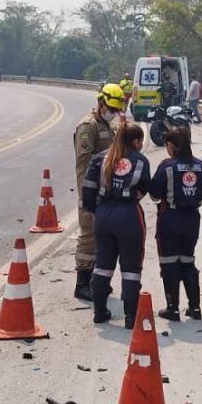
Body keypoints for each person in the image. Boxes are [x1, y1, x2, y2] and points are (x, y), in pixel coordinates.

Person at [81, 124, 152, 328]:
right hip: (129, 215)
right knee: (131, 268)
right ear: (136, 141)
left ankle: (99, 311)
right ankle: (130, 317)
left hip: (103, 215)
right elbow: (146, 187)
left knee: (102, 265)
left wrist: (95, 210)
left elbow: (88, 189)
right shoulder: (140, 160)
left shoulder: (100, 158)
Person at [148, 125, 202, 321]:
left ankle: (172, 308)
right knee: (187, 261)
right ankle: (195, 308)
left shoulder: (166, 167)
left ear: (170, 146)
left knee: (169, 263)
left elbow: (154, 194)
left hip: (170, 218)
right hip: (192, 219)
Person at [71, 84, 125, 300]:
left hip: (106, 192)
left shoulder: (108, 126)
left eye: (116, 109)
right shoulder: (88, 126)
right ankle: (82, 284)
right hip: (91, 192)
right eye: (110, 107)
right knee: (88, 238)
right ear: (101, 103)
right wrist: (88, 196)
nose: (112, 112)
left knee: (101, 238)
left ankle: (96, 280)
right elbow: (83, 164)